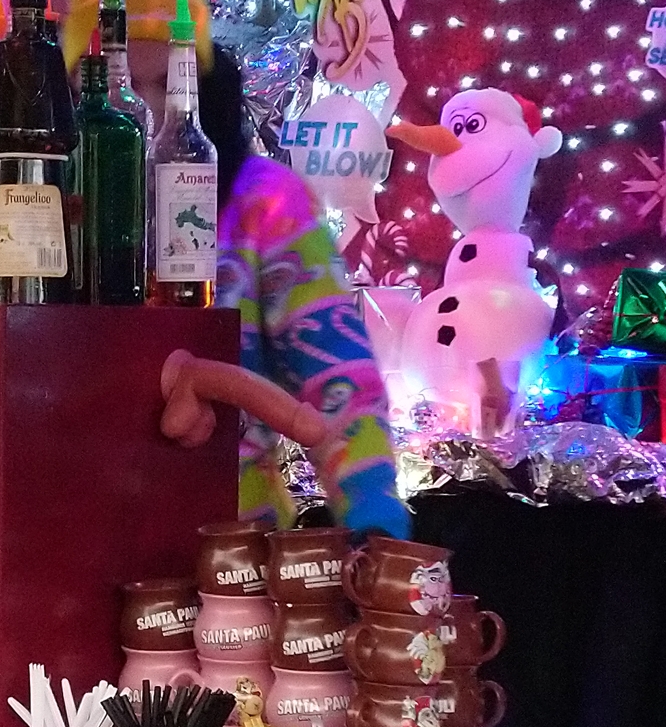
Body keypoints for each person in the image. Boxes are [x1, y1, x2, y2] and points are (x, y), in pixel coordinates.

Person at [62, 1, 410, 539]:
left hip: (233, 547)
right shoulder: (30, 204)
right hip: (67, 533)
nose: (144, 112)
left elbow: (338, 372)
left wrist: (372, 518)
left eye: (167, 86)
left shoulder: (263, 202)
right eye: (117, 86)